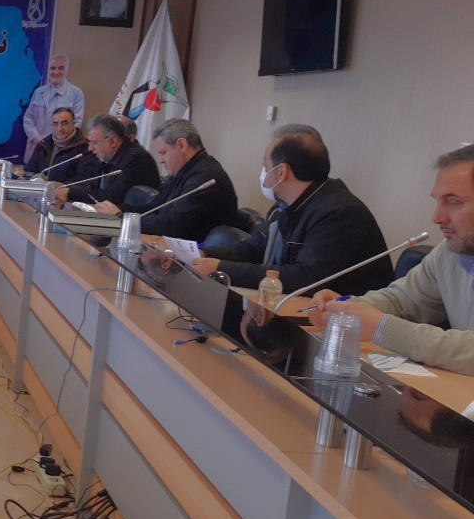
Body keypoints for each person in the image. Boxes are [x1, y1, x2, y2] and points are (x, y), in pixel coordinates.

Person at [310, 145, 474, 375]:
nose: (437, 217)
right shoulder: (450, 252)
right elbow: (401, 301)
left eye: (453, 201)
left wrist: (382, 329)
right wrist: (348, 308)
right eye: (438, 201)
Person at [193, 124, 393, 295]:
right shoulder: (285, 206)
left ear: (281, 171)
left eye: (265, 165)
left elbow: (305, 279)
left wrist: (220, 268)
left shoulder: (339, 213)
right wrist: (200, 254)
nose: (263, 172)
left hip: (343, 319)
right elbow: (251, 249)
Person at [90, 119, 238, 241]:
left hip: (198, 256)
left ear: (181, 145)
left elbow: (174, 225)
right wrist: (118, 210)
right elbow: (155, 208)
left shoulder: (205, 176)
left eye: (163, 152)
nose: (161, 160)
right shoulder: (185, 170)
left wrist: (121, 218)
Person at [54, 114, 158, 206]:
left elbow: (111, 197)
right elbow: (91, 184)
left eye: (94, 142)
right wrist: (65, 186)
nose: (90, 148)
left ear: (112, 141)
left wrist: (70, 192)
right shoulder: (109, 156)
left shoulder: (136, 159)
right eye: (90, 142)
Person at [22, 54, 85, 162]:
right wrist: (36, 138)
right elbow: (28, 117)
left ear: (66, 69)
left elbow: (76, 123)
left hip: (59, 148)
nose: (56, 72)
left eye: (61, 68)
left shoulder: (76, 93)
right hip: (36, 146)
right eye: (52, 68)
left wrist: (53, 141)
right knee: (31, 171)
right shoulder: (39, 92)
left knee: (53, 171)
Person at [23, 107, 90, 182]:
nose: (59, 128)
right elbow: (29, 172)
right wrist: (33, 178)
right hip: (41, 188)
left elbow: (85, 180)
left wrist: (60, 186)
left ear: (73, 124)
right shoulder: (43, 145)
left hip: (65, 189)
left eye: (64, 123)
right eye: (55, 124)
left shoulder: (86, 147)